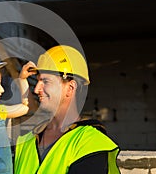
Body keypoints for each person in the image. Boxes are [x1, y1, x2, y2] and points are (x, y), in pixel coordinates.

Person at [14, 45, 120, 174]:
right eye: (38, 81)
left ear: (70, 88)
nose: (36, 89)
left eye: (46, 81)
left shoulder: (90, 143)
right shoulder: (26, 141)